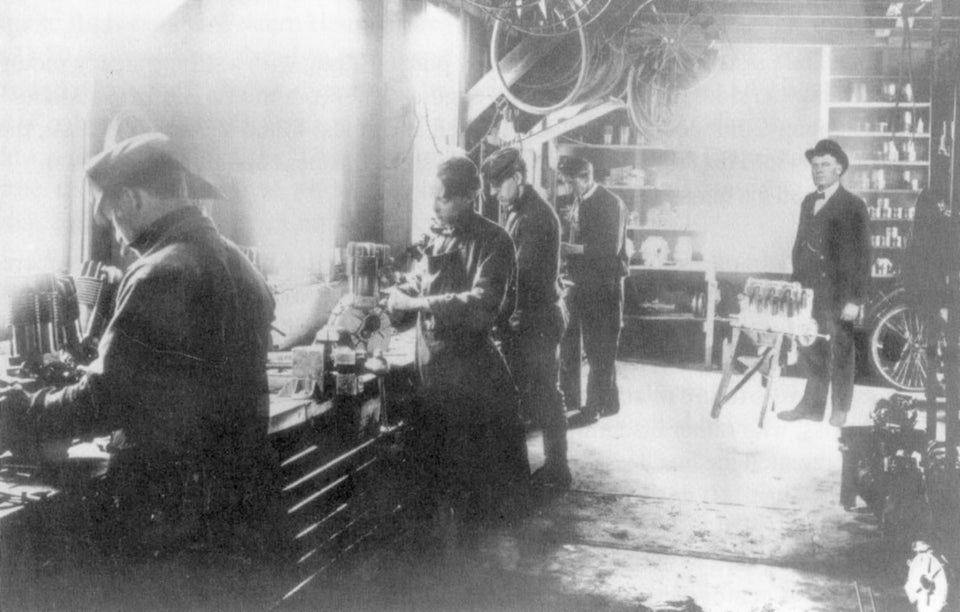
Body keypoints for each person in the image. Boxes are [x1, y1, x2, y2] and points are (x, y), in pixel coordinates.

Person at [0, 131, 280, 553]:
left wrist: (20, 411)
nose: (116, 236)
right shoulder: (241, 264)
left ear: (132, 199)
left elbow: (105, 400)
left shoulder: (158, 273)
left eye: (112, 218)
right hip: (242, 501)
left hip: (176, 512)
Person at [388, 154, 529, 534]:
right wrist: (402, 294)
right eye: (433, 198)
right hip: (431, 370)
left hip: (472, 376)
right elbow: (423, 282)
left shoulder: (494, 240)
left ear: (469, 196)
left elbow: (482, 304)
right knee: (431, 484)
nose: (436, 206)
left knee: (476, 489)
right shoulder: (437, 234)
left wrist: (418, 303)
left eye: (444, 199)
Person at [481, 147, 571, 488]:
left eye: (497, 186)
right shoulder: (521, 209)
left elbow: (523, 278)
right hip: (534, 315)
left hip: (538, 319)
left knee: (545, 394)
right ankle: (542, 468)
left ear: (517, 178)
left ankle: (557, 469)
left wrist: (496, 312)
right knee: (535, 394)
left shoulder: (535, 216)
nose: (494, 194)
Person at [778, 139, 871, 428]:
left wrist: (856, 299)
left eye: (825, 164)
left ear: (839, 169)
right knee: (811, 347)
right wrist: (796, 283)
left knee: (841, 350)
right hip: (809, 291)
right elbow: (800, 245)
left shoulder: (854, 205)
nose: (818, 170)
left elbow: (864, 255)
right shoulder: (808, 202)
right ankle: (811, 406)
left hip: (839, 294)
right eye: (815, 165)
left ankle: (840, 408)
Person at [557, 156, 628, 425]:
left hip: (606, 284)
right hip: (584, 282)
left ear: (585, 178)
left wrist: (570, 249)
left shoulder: (611, 203)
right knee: (596, 346)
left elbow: (609, 249)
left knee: (601, 347)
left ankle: (593, 409)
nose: (567, 188)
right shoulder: (580, 200)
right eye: (564, 182)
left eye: (570, 182)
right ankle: (610, 402)